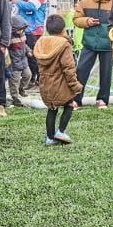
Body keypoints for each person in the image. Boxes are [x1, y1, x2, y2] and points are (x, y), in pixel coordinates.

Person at [33, 14, 84, 145]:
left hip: (45, 84)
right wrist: (75, 86)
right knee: (69, 104)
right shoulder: (64, 44)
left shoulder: (41, 43)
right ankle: (61, 131)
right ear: (63, 29)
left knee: (52, 108)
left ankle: (50, 138)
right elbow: (68, 68)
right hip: (61, 84)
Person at [72, 0, 113, 108]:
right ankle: (77, 99)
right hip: (89, 44)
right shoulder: (85, 1)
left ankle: (103, 99)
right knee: (80, 70)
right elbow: (76, 19)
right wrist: (86, 21)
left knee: (106, 73)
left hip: (108, 44)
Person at [18, 0, 48, 85]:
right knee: (27, 56)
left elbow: (31, 7)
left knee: (33, 57)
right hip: (26, 29)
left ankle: (38, 81)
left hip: (34, 30)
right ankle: (31, 80)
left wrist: (16, 1)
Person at [8, 14, 32, 106]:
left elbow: (24, 46)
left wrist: (29, 51)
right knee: (14, 80)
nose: (21, 31)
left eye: (22, 29)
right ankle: (15, 97)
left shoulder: (22, 35)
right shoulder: (10, 37)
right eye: (19, 29)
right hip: (14, 63)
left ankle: (21, 88)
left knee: (28, 75)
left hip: (23, 61)